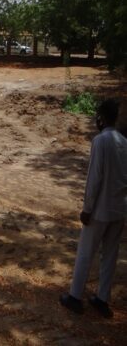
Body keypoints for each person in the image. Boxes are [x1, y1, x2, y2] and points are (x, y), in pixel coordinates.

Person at [60, 99, 127, 318]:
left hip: (100, 209)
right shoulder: (124, 142)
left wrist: (87, 208)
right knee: (110, 255)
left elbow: (95, 178)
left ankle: (75, 296)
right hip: (119, 208)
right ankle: (102, 299)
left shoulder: (100, 141)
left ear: (102, 117)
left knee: (86, 252)